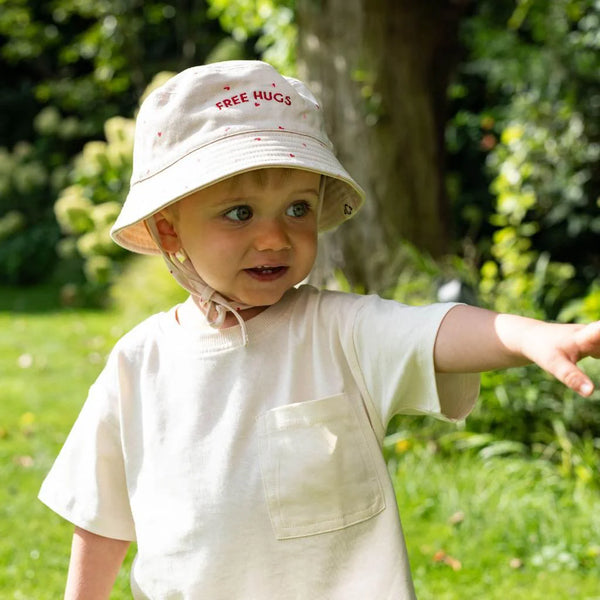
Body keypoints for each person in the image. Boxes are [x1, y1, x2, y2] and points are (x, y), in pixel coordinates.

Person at [39, 60, 600, 600]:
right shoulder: (138, 364)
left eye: (298, 208)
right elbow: (101, 515)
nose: (275, 238)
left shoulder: (339, 331)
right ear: (169, 229)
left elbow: (433, 331)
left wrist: (531, 336)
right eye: (239, 213)